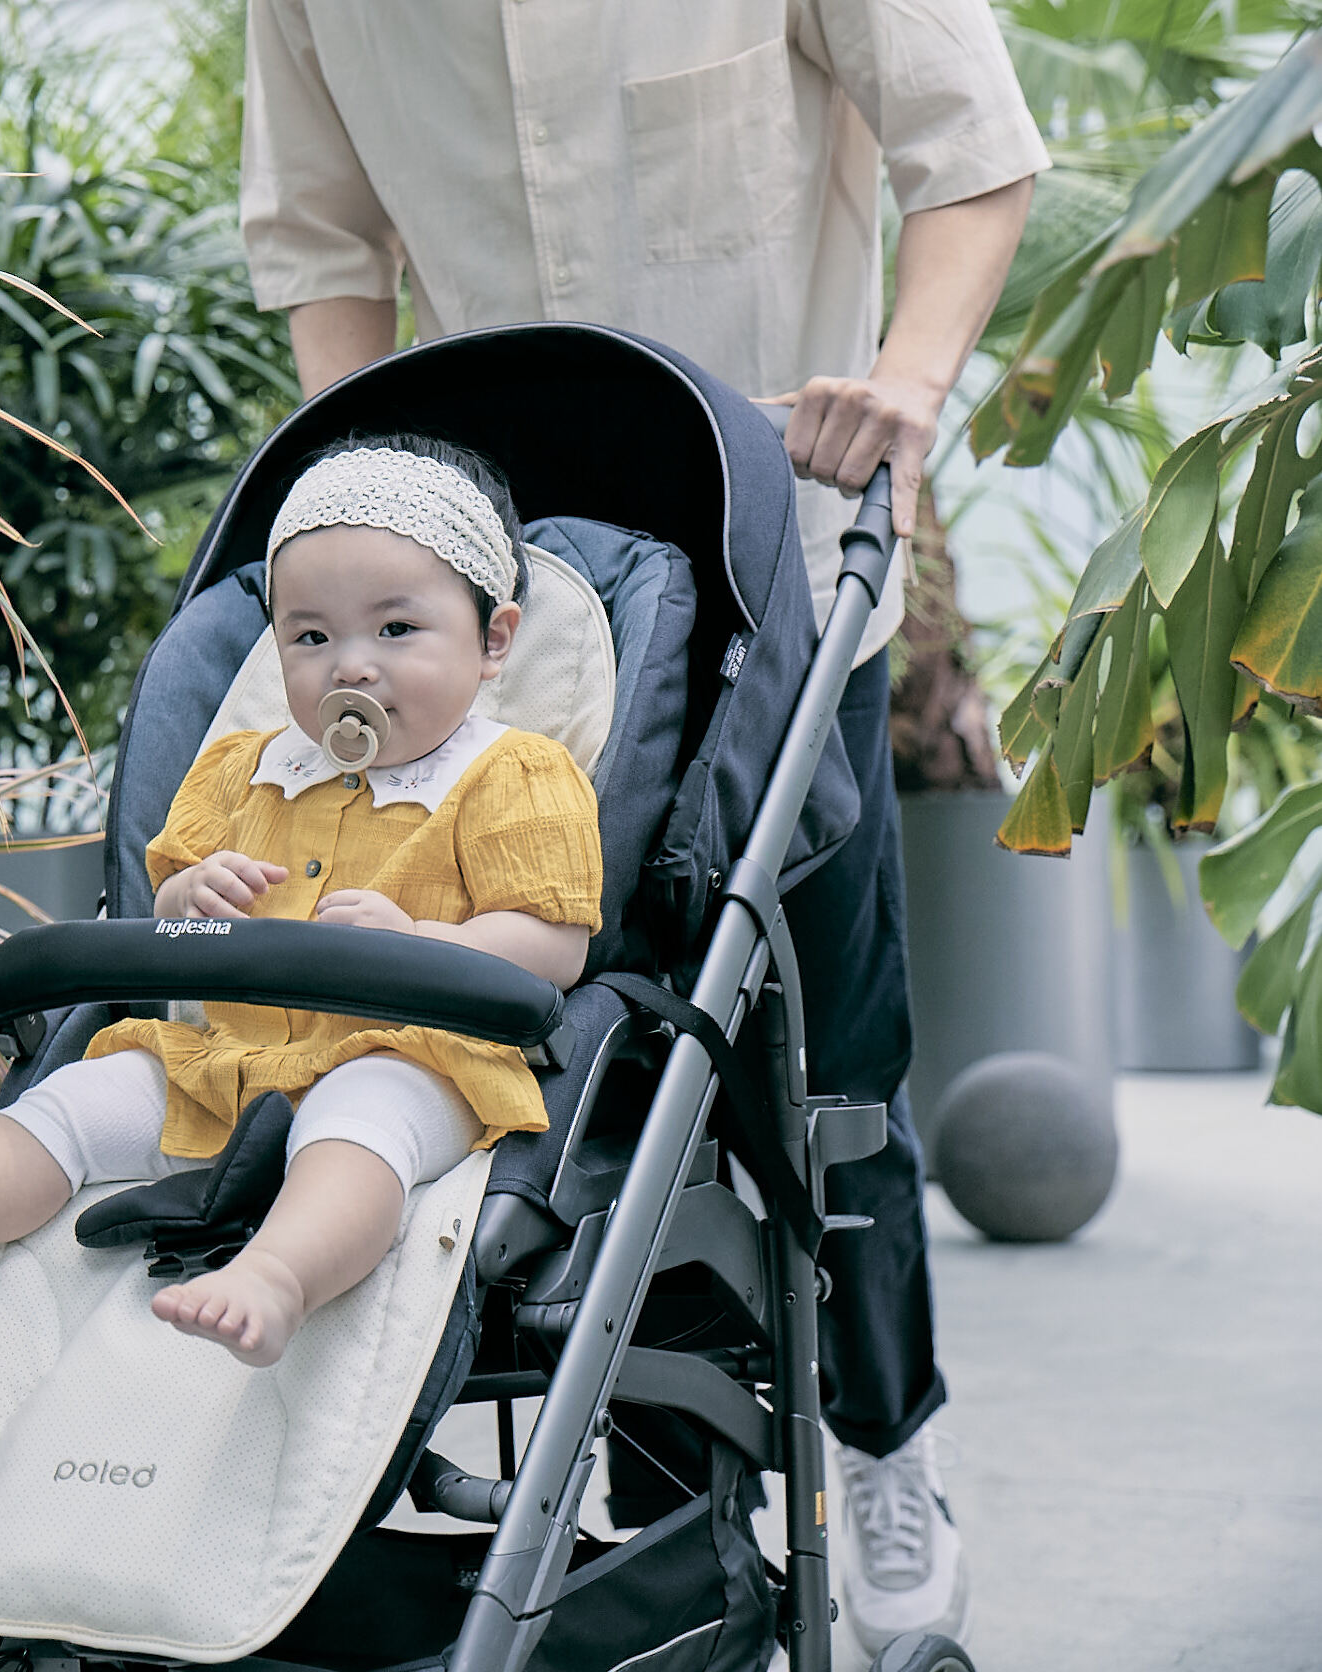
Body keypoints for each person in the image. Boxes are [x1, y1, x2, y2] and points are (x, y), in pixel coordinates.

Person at [237, 0, 1045, 1651]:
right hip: (514, 643)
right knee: (598, 1080)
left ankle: (886, 1442)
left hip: (788, 583)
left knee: (829, 1098)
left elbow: (970, 149)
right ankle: (666, 1533)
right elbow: (321, 241)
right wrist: (365, 502)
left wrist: (903, 380)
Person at [0, 436, 601, 1368]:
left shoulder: (510, 772)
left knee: (361, 1119)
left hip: (420, 1057)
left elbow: (554, 943)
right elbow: (171, 916)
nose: (351, 667)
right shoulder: (246, 769)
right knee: (81, 1099)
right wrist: (191, 897)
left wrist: (426, 939)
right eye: (311, 638)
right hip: (227, 1055)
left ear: (493, 640)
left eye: (396, 632)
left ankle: (278, 1276)